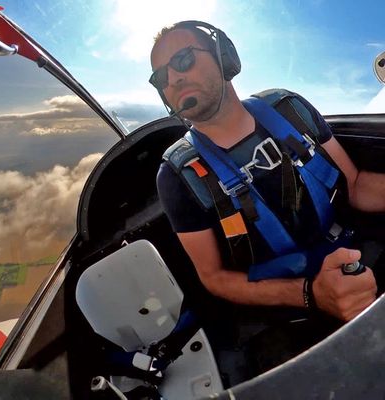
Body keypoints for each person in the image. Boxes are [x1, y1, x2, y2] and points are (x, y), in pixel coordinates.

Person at [150, 21, 385, 323]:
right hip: (288, 309)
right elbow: (213, 277)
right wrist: (309, 294)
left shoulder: (289, 110)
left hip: (353, 254)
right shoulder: (177, 176)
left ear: (224, 57)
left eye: (183, 59)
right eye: (160, 77)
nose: (173, 78)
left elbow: (354, 184)